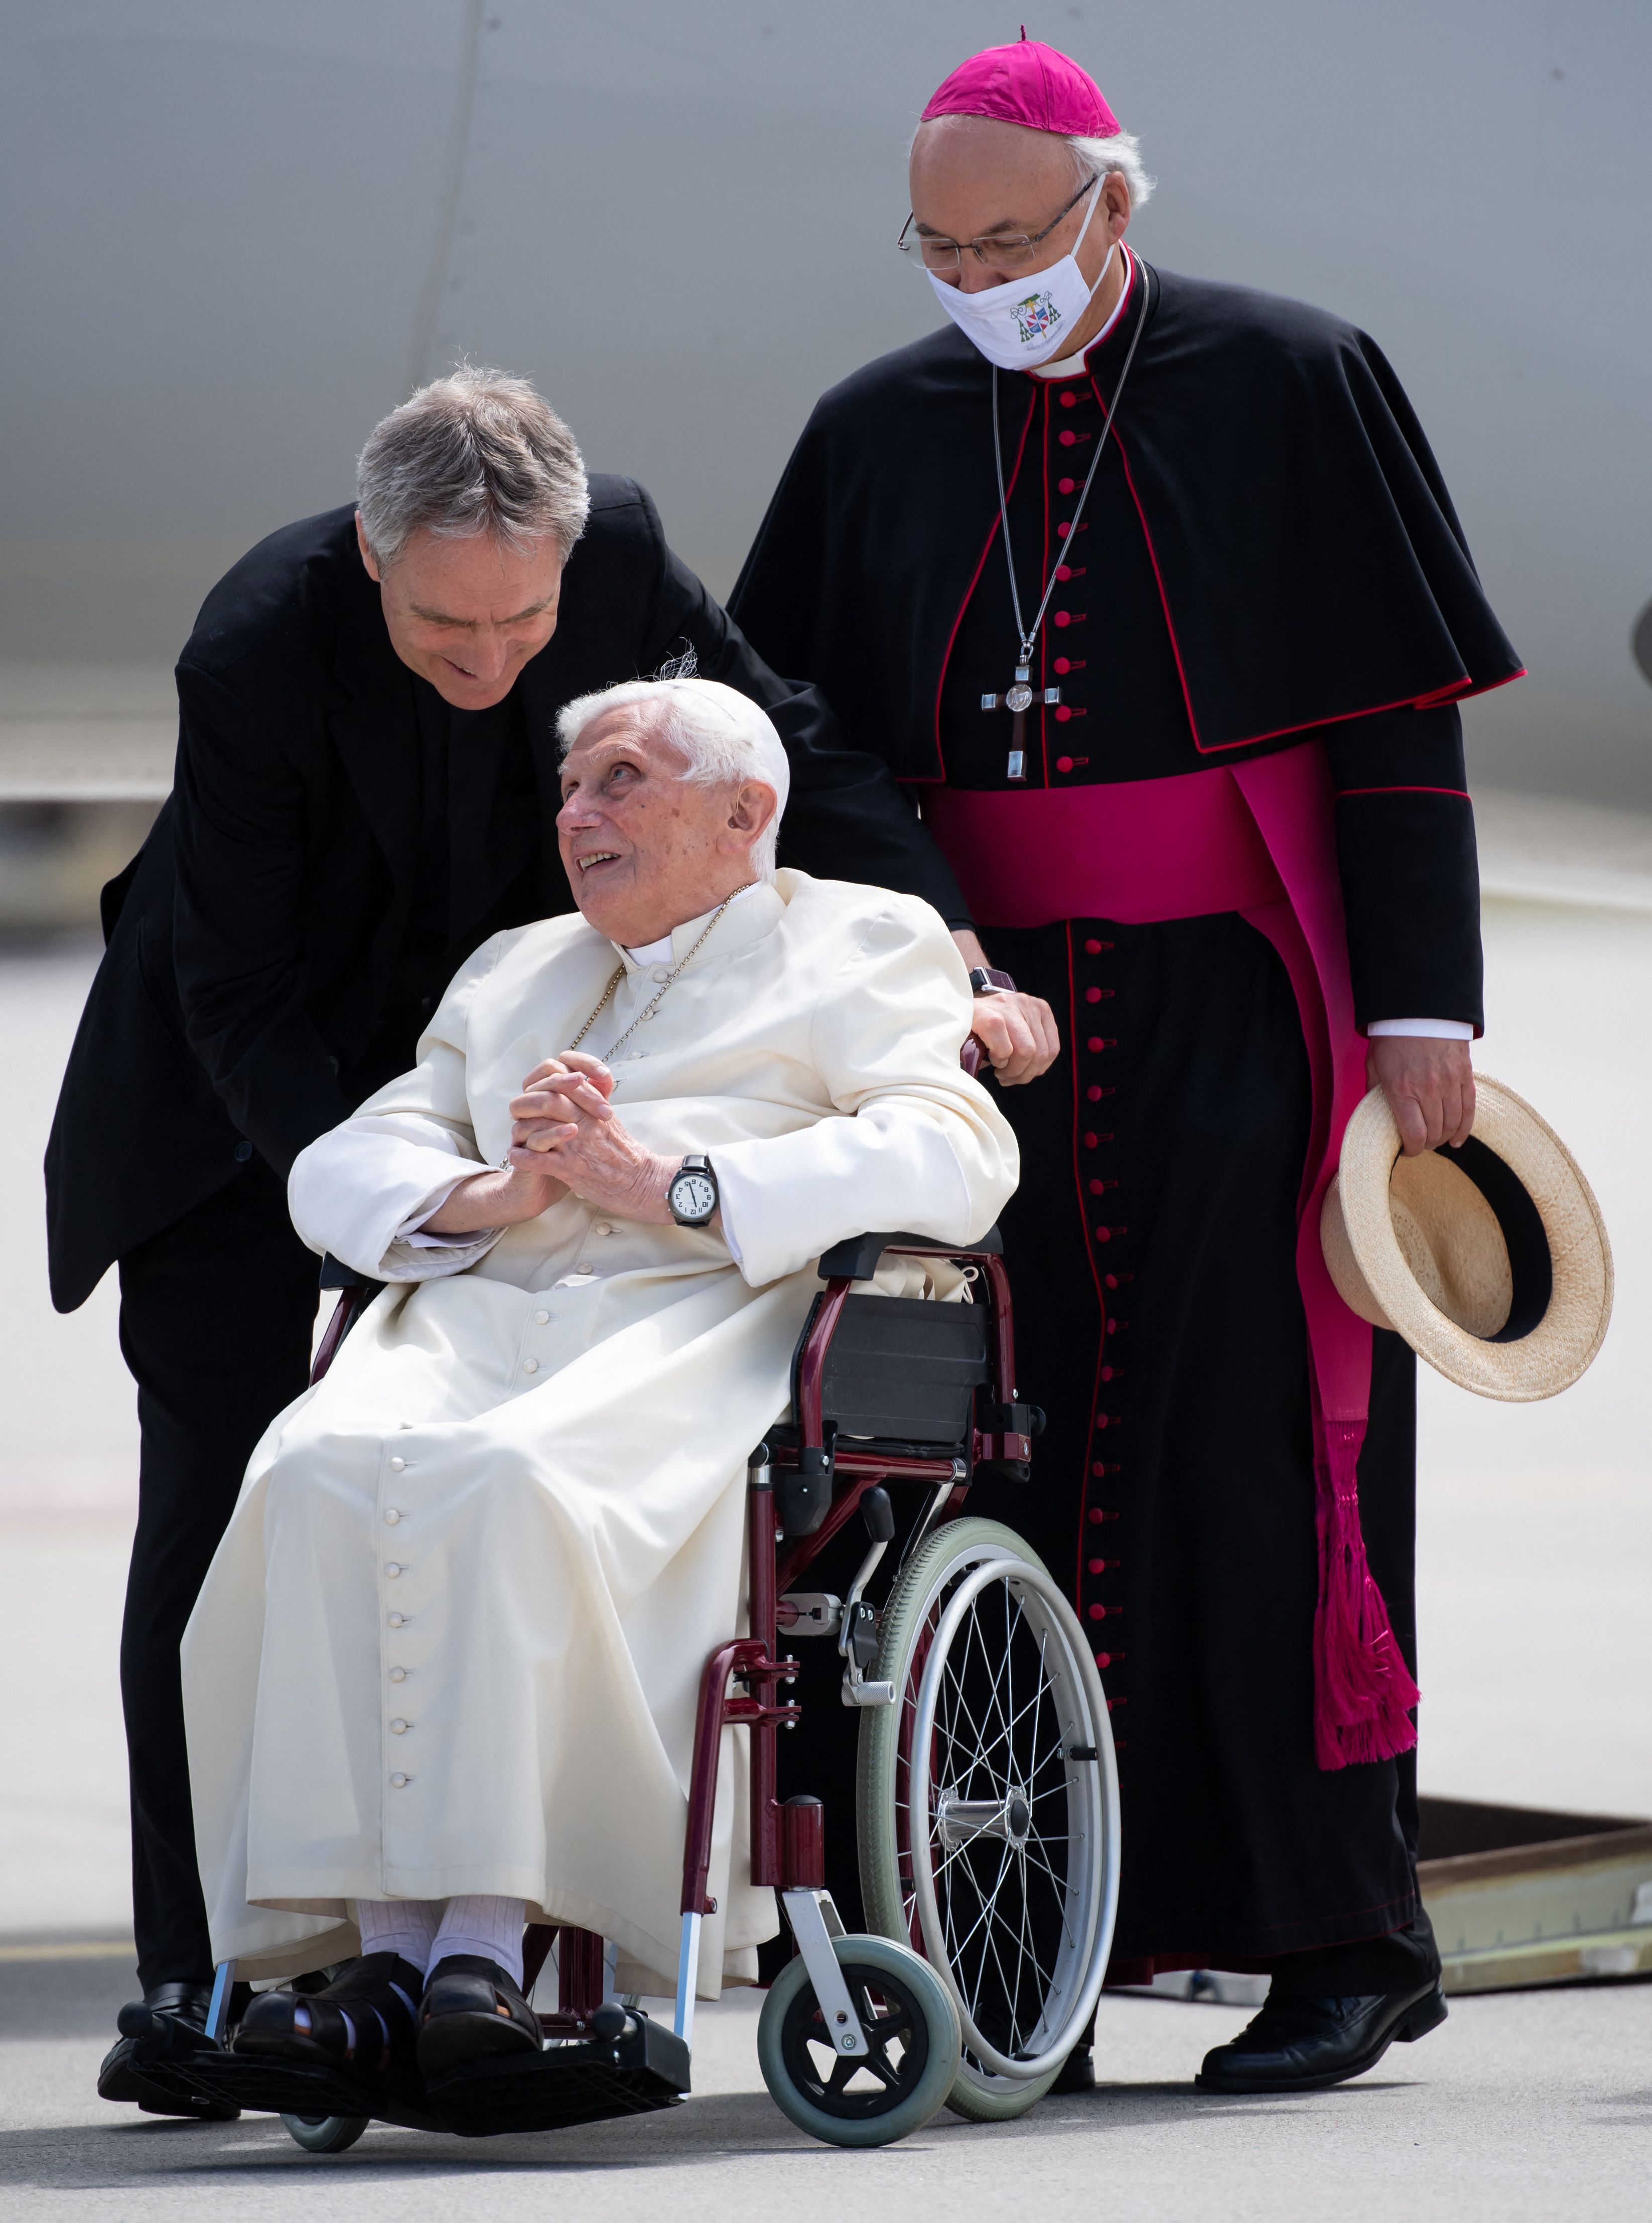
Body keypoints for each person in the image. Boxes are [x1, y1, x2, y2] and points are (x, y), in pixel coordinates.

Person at [44, 368, 1020, 2117]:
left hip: (572, 1132)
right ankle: (209, 1987)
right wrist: (431, 1212)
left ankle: (469, 1948)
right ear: (368, 558)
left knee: (498, 1471)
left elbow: (792, 753)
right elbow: (244, 997)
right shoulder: (258, 646)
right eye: (441, 623)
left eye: (524, 623)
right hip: (246, 1091)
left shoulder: (635, 595)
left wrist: (955, 963)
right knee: (247, 1494)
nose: (491, 661)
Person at [728, 36, 1523, 2095]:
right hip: (963, 1026)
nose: (979, 278)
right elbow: (790, 721)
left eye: (1014, 237)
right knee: (976, 1460)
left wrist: (1425, 1012)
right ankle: (1010, 1949)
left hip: (1236, 1010)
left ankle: (1340, 1940)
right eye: (938, 245)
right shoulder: (876, 426)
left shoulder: (1288, 374)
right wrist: (908, 922)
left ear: (1116, 204)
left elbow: (1395, 711)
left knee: (1258, 1460)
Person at [179, 676, 1017, 2096]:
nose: (576, 814)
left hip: (696, 1322)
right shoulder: (516, 968)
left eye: (620, 780)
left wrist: (678, 1181)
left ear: (745, 811)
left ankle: (480, 1955)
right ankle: (386, 1965)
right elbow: (342, 1163)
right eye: (571, 788)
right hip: (475, 1314)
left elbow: (953, 1152)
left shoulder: (861, 940)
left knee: (512, 1486)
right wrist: (486, 1188)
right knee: (312, 1471)